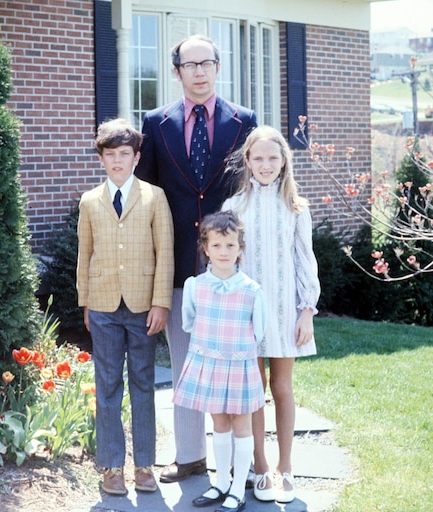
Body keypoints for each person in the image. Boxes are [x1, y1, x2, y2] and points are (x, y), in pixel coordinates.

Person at [135, 33, 257, 484]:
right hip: (177, 263)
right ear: (177, 72)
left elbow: (251, 189)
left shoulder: (244, 121)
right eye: (190, 65)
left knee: (231, 365)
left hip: (229, 267)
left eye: (207, 63)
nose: (200, 72)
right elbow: (147, 195)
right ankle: (189, 457)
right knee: (184, 362)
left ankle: (235, 461)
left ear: (218, 67)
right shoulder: (155, 123)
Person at [222, 125, 321, 504]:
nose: (266, 164)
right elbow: (226, 262)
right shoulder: (234, 208)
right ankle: (260, 468)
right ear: (247, 161)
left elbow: (304, 261)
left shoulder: (296, 207)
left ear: (284, 162)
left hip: (285, 310)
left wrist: (307, 311)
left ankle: (286, 466)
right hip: (247, 314)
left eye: (273, 158)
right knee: (253, 392)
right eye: (258, 158)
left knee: (282, 388)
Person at [76, 118, 175, 496]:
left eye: (124, 154)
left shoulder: (154, 197)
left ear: (136, 157)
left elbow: (164, 253)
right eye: (110, 155)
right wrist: (86, 302)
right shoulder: (90, 201)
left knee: (143, 384)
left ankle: (145, 465)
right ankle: (112, 467)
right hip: (102, 305)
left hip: (142, 307)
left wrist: (160, 302)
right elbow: (85, 254)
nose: (117, 161)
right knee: (107, 385)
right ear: (101, 159)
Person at [172, 211, 266, 512]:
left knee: (242, 425)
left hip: (239, 365)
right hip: (210, 363)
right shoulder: (194, 286)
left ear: (240, 248)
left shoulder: (251, 290)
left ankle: (238, 487)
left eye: (230, 245)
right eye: (216, 246)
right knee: (219, 423)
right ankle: (221, 482)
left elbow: (259, 331)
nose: (223, 252)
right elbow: (188, 322)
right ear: (205, 247)